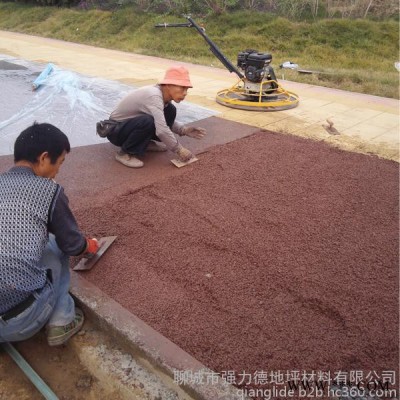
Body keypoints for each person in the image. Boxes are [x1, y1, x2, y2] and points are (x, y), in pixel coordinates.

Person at [0, 122, 99, 346]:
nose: (58, 171)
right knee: (55, 244)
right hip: (20, 323)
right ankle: (62, 321)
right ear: (44, 158)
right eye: (60, 163)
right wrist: (89, 246)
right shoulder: (48, 190)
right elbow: (72, 244)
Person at [106, 65, 207, 168]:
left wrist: (183, 130)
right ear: (168, 85)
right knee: (147, 121)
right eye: (182, 88)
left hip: (128, 126)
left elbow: (161, 120)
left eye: (187, 89)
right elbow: (162, 129)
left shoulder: (163, 98)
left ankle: (144, 143)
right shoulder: (154, 96)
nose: (185, 93)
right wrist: (179, 149)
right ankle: (124, 153)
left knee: (170, 110)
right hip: (115, 131)